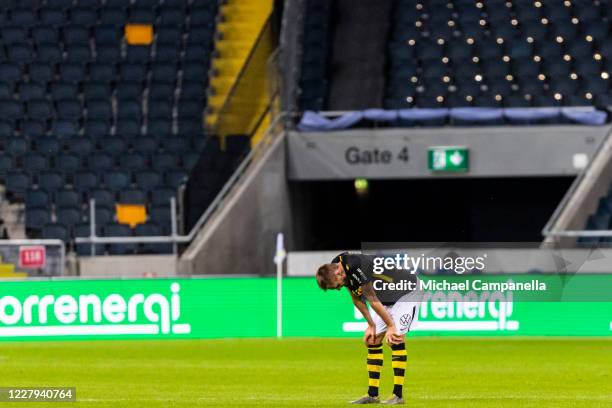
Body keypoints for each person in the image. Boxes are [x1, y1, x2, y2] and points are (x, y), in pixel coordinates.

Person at [315, 251, 422, 405]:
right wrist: (371, 325)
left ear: (338, 272)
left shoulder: (356, 264)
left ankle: (397, 395)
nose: (338, 288)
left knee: (395, 339)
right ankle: (372, 395)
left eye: (337, 285)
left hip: (407, 291)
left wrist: (391, 326)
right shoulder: (337, 263)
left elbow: (371, 298)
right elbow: (355, 297)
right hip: (387, 297)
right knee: (373, 341)